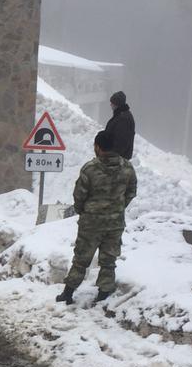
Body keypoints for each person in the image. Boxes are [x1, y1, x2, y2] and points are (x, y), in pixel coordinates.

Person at [56, 130, 137, 305]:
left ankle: (68, 293)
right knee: (109, 260)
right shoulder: (127, 167)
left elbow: (79, 195)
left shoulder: (90, 169)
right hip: (115, 223)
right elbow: (131, 192)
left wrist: (83, 211)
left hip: (91, 223)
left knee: (81, 259)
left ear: (98, 147)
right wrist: (119, 207)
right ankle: (103, 293)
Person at [104, 91, 135, 160]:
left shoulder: (123, 119)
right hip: (114, 158)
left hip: (117, 160)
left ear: (117, 104)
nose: (110, 105)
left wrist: (110, 157)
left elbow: (121, 142)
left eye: (112, 103)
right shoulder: (120, 116)